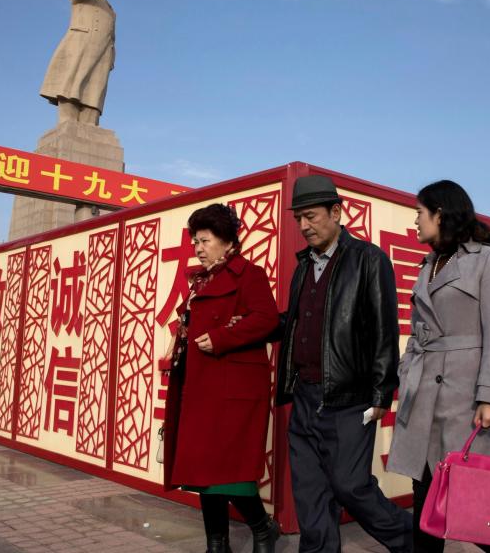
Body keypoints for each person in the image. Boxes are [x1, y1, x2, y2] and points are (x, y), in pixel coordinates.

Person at [273, 175, 413, 553]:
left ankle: (412, 541)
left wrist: (383, 391)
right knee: (310, 493)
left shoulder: (368, 260)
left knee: (351, 486)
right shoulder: (303, 267)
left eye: (311, 216)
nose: (304, 226)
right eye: (298, 218)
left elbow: (385, 329)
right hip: (304, 396)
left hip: (350, 398)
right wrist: (252, 325)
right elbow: (297, 320)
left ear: (336, 212)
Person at [386, 180, 490, 553]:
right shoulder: (428, 264)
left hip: (462, 400)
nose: (415, 222)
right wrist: (405, 371)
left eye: (419, 213)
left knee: (475, 509)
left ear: (440, 214)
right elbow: (418, 333)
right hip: (423, 396)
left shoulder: (487, 260)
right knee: (425, 501)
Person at [160, 204, 281, 553]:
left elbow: (267, 319)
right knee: (202, 471)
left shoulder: (250, 275)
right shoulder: (200, 281)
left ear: (228, 242)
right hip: (199, 386)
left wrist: (223, 337)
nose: (198, 248)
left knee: (231, 474)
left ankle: (262, 528)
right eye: (195, 241)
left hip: (234, 391)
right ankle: (216, 542)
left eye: (205, 240)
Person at [40, 0, 117, 125]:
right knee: (71, 84)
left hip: (102, 54)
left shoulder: (111, 11)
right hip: (80, 45)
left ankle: (90, 122)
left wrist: (111, 57)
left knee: (95, 90)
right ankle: (68, 120)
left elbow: (112, 37)